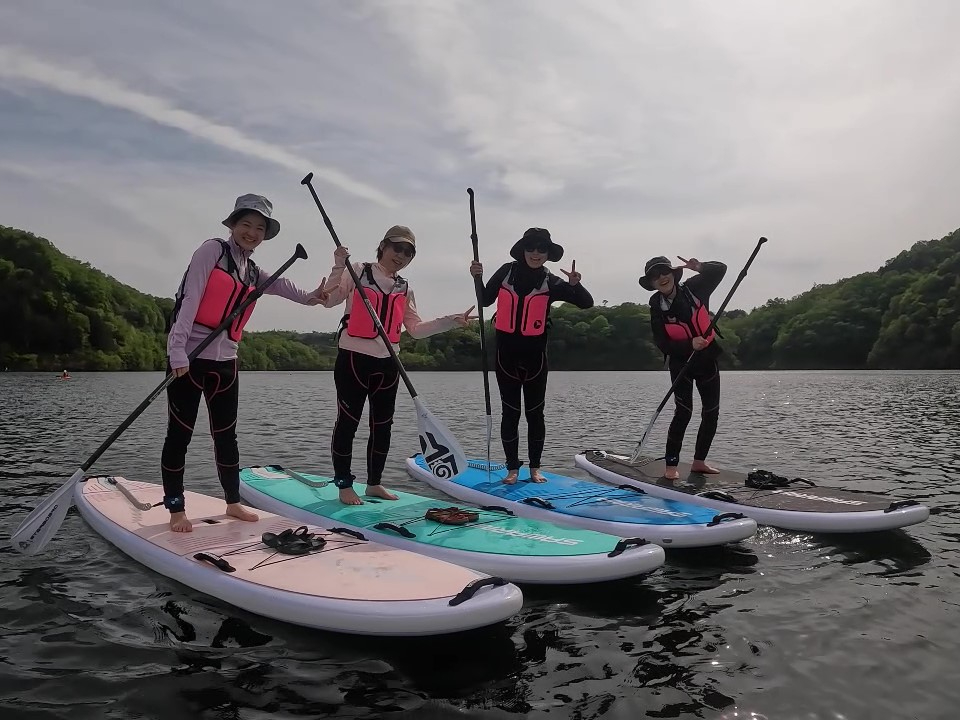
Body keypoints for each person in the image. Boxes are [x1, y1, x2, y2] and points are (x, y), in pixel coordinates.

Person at [163, 194, 330, 532]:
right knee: (179, 434)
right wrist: (176, 351)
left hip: (226, 362)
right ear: (233, 225)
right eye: (246, 224)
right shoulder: (212, 251)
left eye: (259, 228)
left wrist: (312, 296)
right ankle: (176, 508)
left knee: (226, 436)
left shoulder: (252, 270)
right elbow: (189, 297)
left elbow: (284, 286)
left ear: (265, 234)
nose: (251, 232)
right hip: (191, 359)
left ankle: (233, 501)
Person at [322, 225, 477, 505]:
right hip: (353, 360)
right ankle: (344, 485)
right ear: (383, 246)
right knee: (348, 423)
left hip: (388, 364)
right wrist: (337, 265)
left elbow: (415, 329)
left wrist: (450, 321)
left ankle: (374, 483)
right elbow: (328, 299)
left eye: (408, 252)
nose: (402, 255)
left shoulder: (404, 288)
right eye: (397, 248)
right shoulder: (356, 270)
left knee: (383, 426)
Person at [469, 227, 593, 484]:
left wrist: (575, 284)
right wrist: (477, 278)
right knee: (510, 413)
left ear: (548, 254)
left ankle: (535, 468)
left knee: (536, 414)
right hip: (506, 357)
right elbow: (484, 300)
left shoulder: (552, 282)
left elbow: (586, 303)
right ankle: (512, 468)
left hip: (536, 359)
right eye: (531, 248)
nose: (536, 253)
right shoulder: (506, 272)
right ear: (523, 250)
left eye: (541, 249)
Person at [640, 254, 727, 480]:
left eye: (665, 272)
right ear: (651, 283)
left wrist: (700, 267)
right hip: (681, 363)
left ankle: (699, 462)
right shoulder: (656, 307)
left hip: (707, 359)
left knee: (711, 412)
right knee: (683, 412)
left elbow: (721, 269)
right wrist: (689, 344)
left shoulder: (695, 288)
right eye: (655, 276)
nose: (661, 278)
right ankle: (671, 466)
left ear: (673, 274)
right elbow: (662, 342)